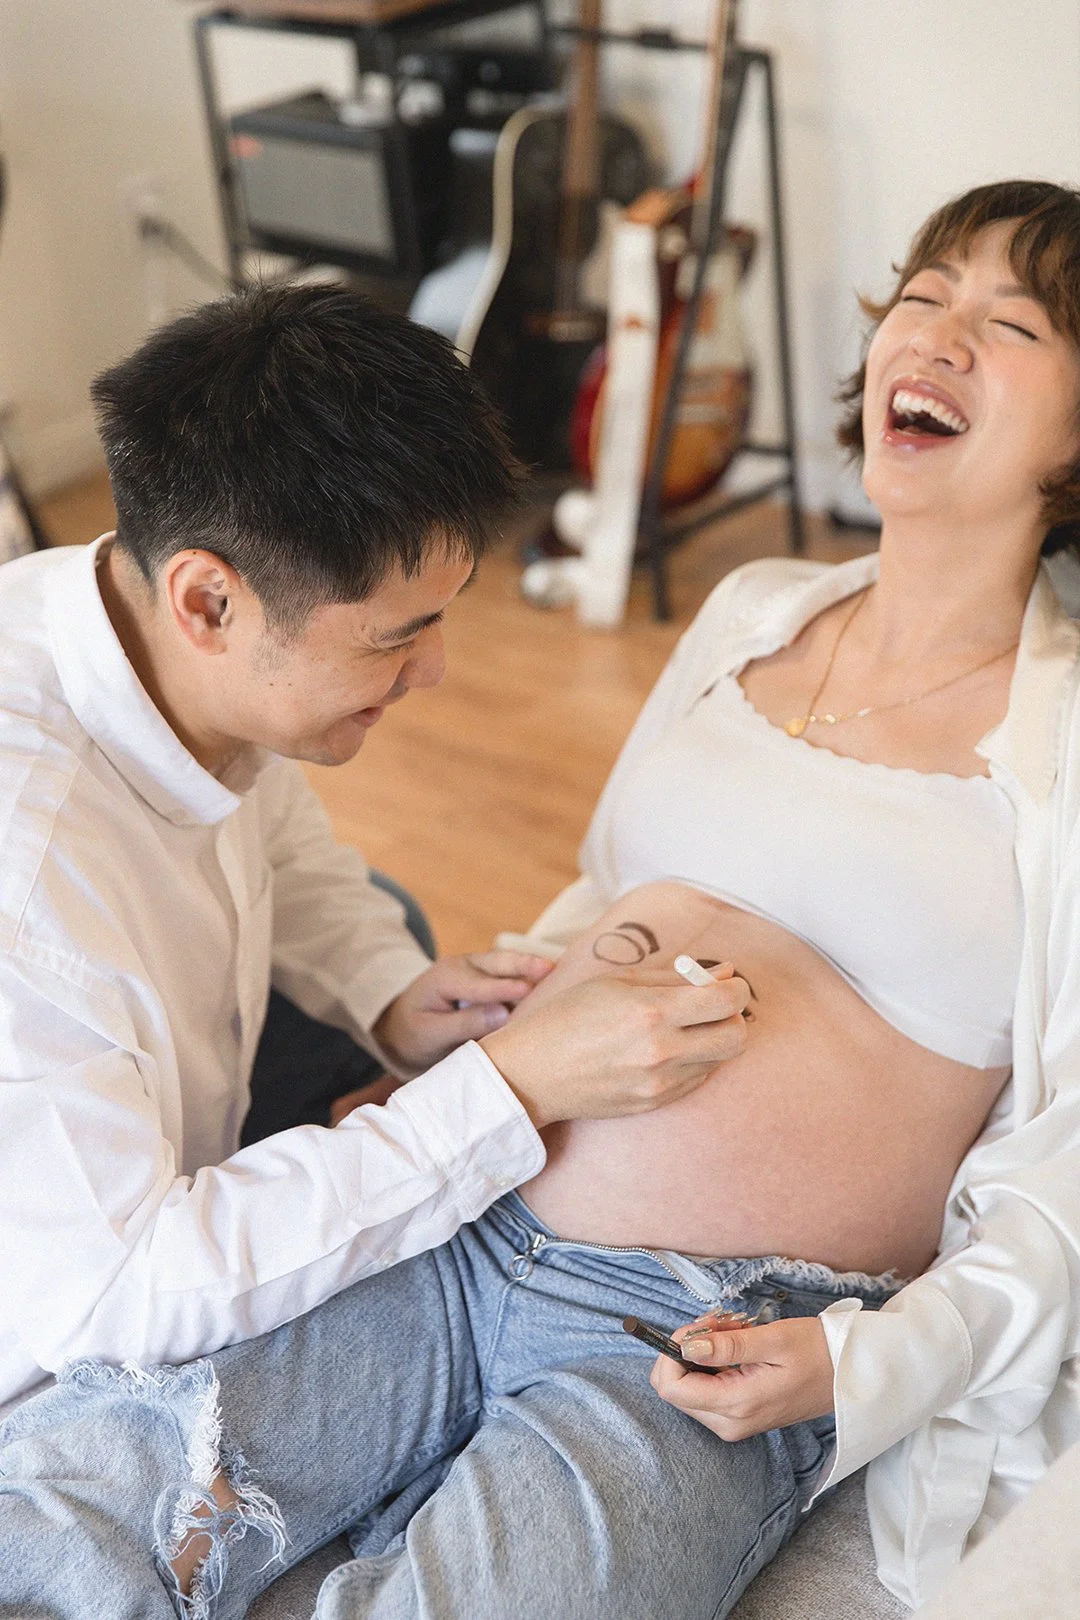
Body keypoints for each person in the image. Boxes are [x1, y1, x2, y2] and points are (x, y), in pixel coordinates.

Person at [5, 176, 1080, 1620]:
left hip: (700, 1335)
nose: (937, 335)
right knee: (75, 1503)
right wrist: (466, 1094)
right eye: (925, 294)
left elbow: (1063, 1172)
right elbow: (609, 884)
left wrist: (871, 1362)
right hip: (462, 1202)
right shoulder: (758, 604)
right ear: (208, 601)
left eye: (1007, 322)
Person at [0, 285, 750, 1414]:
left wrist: (386, 992)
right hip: (61, 1314)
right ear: (209, 602)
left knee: (385, 916)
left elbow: (275, 835)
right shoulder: (28, 873)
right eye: (397, 636)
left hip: (146, 1109)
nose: (437, 669)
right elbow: (115, 1294)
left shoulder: (146, 626)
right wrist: (505, 1091)